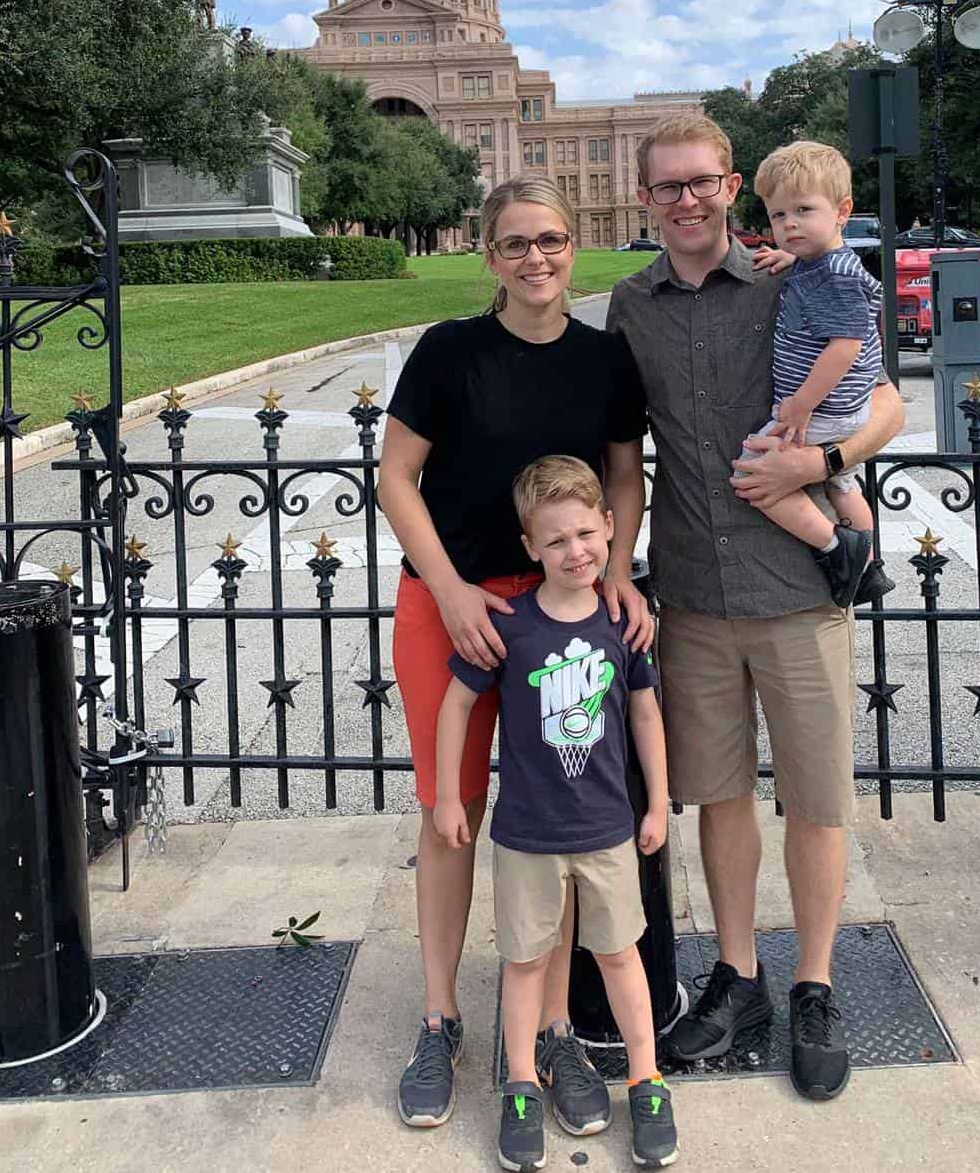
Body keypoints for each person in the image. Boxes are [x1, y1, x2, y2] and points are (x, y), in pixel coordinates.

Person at [604, 112, 905, 1102]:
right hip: (691, 592)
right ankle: (739, 975)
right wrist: (612, 561)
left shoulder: (791, 274)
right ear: (645, 197)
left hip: (793, 589)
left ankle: (814, 979)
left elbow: (885, 400)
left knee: (814, 799)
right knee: (719, 795)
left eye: (701, 182)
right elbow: (619, 455)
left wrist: (822, 461)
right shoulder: (631, 305)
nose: (685, 200)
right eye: (667, 186)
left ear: (730, 184)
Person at [378, 178, 653, 1134]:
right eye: (516, 245)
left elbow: (624, 474)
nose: (538, 259)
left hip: (564, 605)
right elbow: (396, 477)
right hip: (451, 604)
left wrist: (614, 570)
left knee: (565, 812)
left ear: (573, 247)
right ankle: (440, 1014)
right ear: (487, 256)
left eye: (553, 241)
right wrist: (451, 587)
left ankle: (559, 1030)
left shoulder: (603, 358)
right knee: (450, 813)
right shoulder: (450, 352)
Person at [435, 456, 677, 1172]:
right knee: (524, 960)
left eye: (585, 533)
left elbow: (644, 713)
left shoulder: (620, 624)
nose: (575, 551)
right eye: (556, 540)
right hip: (527, 835)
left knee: (618, 954)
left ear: (610, 526)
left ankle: (645, 1078)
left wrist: (657, 802)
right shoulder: (512, 626)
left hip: (606, 830)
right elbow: (456, 704)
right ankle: (518, 1084)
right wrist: (451, 794)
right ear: (530, 548)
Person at [739, 140, 895, 610]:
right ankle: (870, 568)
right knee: (843, 483)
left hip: (823, 411)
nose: (789, 224)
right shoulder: (825, 265)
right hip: (844, 410)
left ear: (843, 210)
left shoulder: (834, 277)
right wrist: (794, 258)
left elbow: (845, 346)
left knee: (753, 473)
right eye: (779, 215)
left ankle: (836, 549)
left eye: (804, 210)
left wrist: (802, 403)